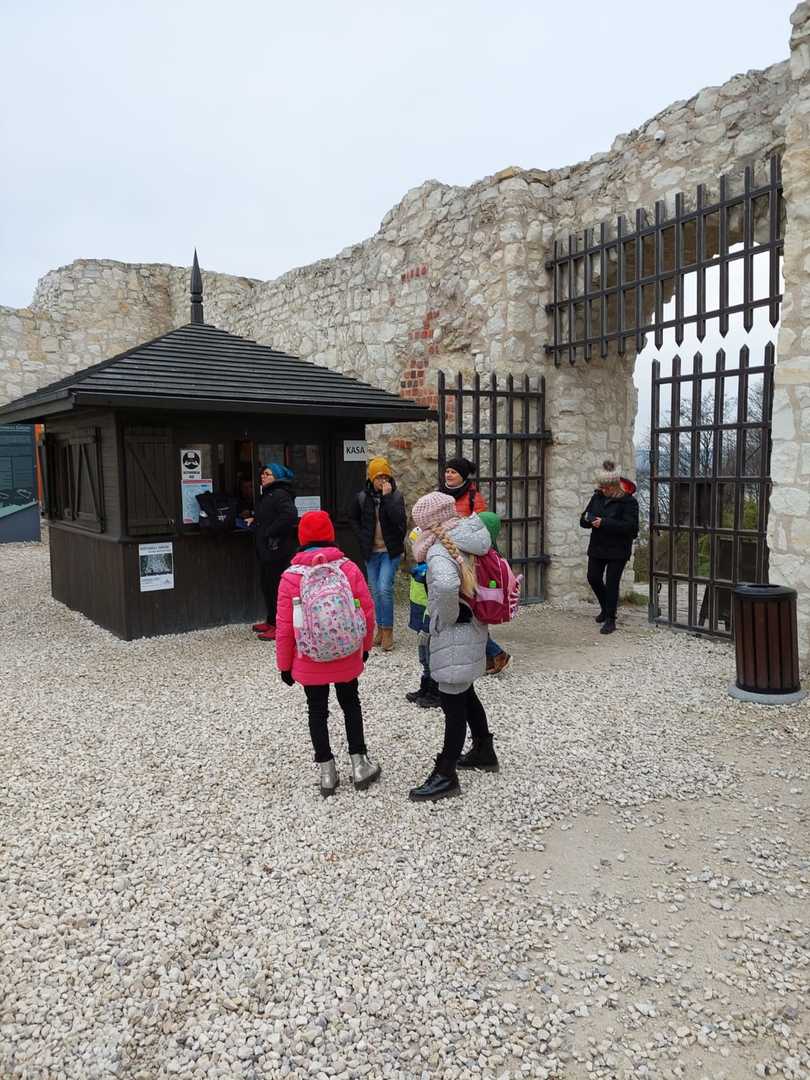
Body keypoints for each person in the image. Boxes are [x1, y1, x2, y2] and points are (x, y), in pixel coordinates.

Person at [275, 510, 380, 798]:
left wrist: (284, 665)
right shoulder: (348, 568)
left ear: (301, 537)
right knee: (351, 703)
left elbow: (284, 627)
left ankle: (327, 773)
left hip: (309, 657)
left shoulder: (290, 576)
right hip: (347, 652)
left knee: (317, 710)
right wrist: (365, 646)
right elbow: (367, 610)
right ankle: (360, 764)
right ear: (331, 534)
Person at [408, 492, 499, 803]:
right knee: (465, 689)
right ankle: (484, 750)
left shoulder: (439, 549)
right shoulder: (470, 535)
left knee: (452, 701)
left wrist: (446, 616)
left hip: (455, 630)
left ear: (427, 524)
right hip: (474, 624)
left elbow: (447, 585)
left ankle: (446, 773)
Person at [440, 458, 509, 674]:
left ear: (462, 475)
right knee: (462, 607)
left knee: (469, 607)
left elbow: (481, 528)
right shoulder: (441, 495)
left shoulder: (473, 497)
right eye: (447, 471)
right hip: (448, 552)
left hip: (468, 559)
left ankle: (494, 653)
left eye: (453, 472)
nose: (448, 475)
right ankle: (490, 654)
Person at [349, 456, 407, 652]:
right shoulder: (362, 498)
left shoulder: (396, 497)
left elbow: (399, 521)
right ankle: (380, 629)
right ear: (371, 478)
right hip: (371, 552)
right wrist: (361, 537)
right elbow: (353, 518)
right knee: (375, 591)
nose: (383, 481)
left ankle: (388, 631)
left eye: (386, 477)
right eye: (379, 477)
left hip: (390, 551)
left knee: (384, 588)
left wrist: (387, 498)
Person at [580, 459, 640, 635]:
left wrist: (604, 523)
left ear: (614, 486)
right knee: (593, 577)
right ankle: (606, 608)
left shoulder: (629, 502)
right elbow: (584, 519)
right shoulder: (597, 497)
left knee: (612, 583)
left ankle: (610, 619)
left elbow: (631, 528)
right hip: (598, 546)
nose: (602, 490)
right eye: (601, 487)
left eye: (605, 487)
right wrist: (587, 520)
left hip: (618, 549)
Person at [247, 463, 298, 641]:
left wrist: (269, 531)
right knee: (267, 586)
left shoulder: (280, 494)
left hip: (277, 549)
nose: (263, 476)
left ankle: (279, 626)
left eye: (267, 474)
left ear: (276, 477)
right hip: (267, 549)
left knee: (276, 588)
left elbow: (289, 516)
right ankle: (271, 621)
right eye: (263, 473)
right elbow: (270, 515)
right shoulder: (269, 493)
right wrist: (255, 520)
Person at [404, 556, 441, 709]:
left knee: (432, 658)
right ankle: (425, 687)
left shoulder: (434, 569)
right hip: (421, 619)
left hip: (429, 621)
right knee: (424, 658)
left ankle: (435, 692)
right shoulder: (420, 570)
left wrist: (426, 626)